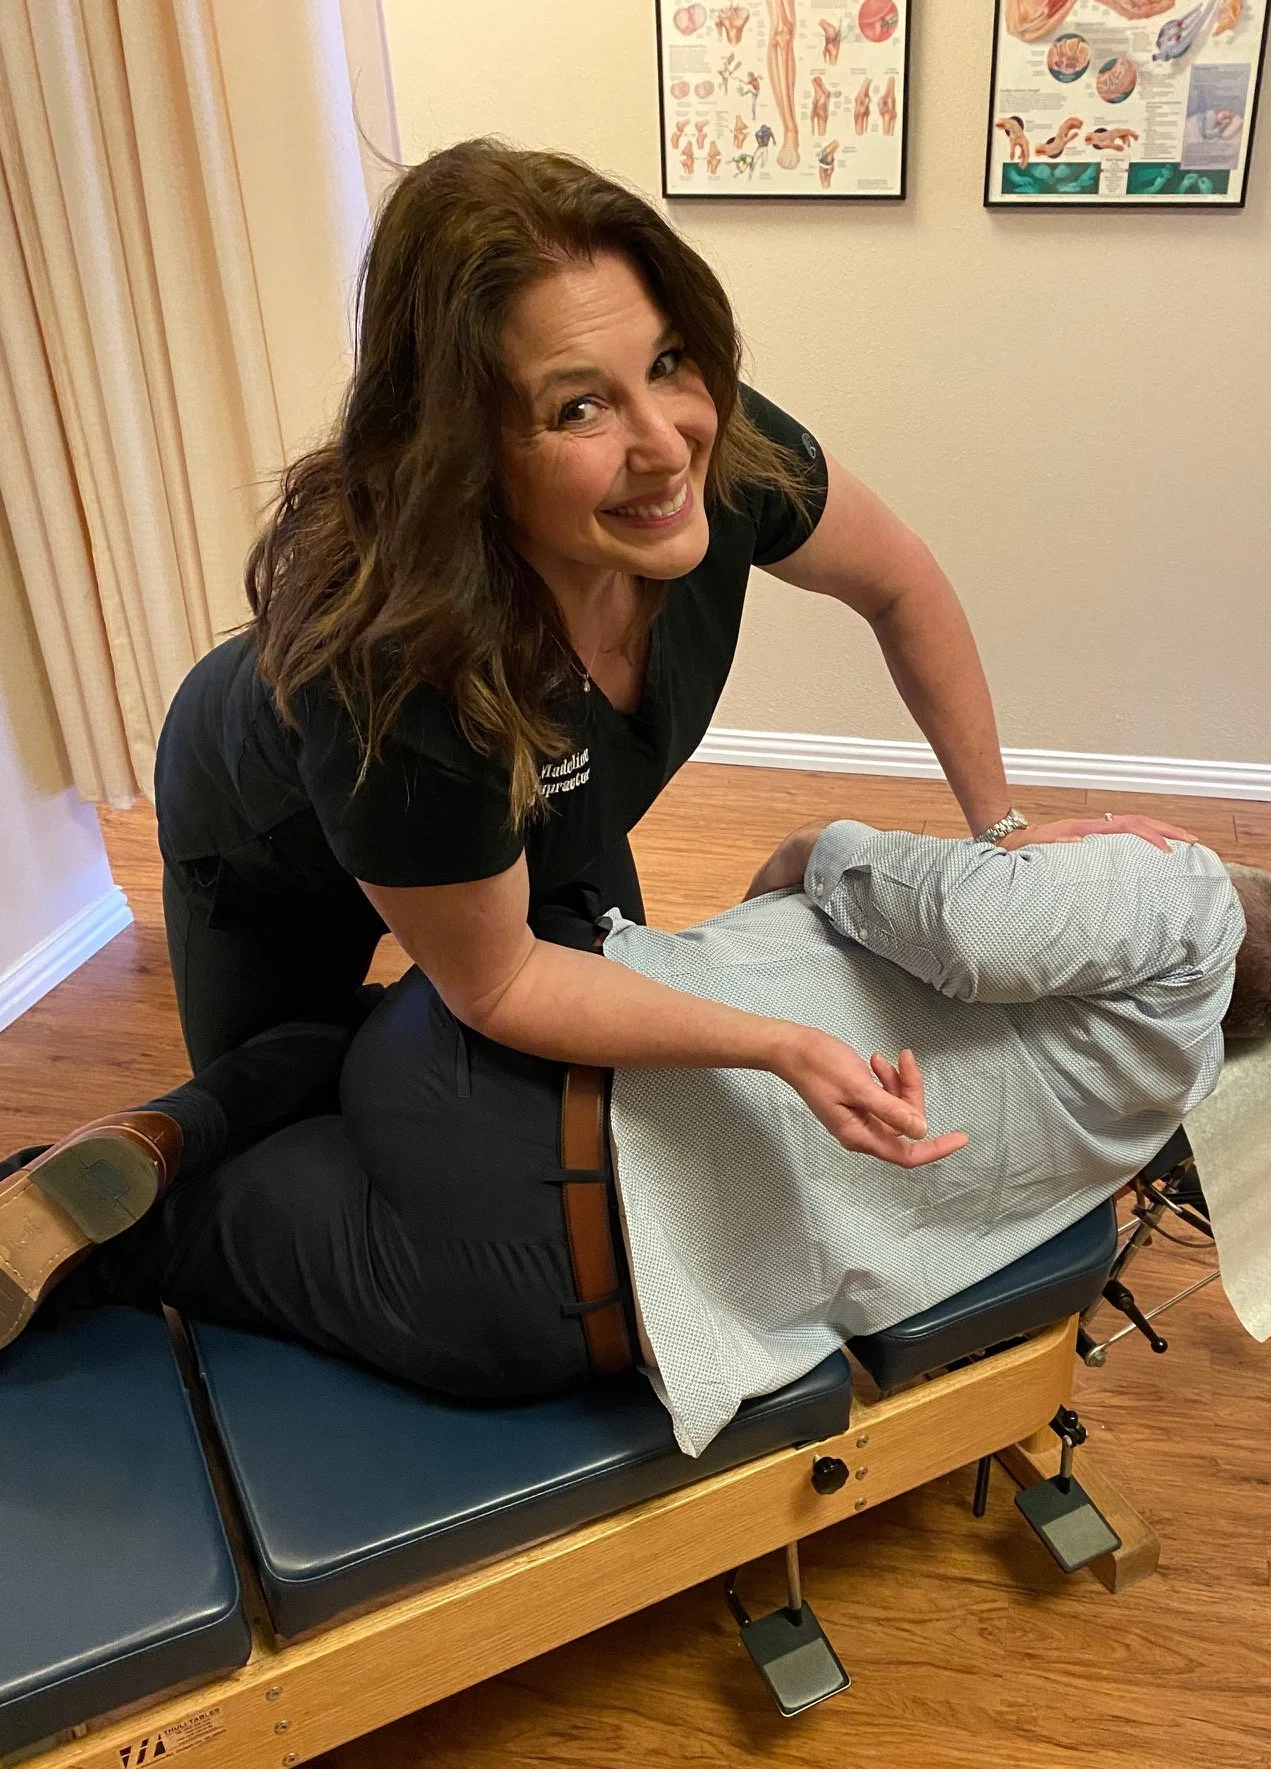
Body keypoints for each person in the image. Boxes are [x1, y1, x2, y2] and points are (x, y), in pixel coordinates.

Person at [156, 138, 1190, 1173]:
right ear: (465, 453)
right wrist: (775, 1045)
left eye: (664, 363)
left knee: (613, 1076)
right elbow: (501, 981)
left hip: (536, 805)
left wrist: (999, 831)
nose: (666, 443)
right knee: (274, 1135)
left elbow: (899, 580)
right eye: (579, 407)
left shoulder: (718, 458)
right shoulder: (396, 671)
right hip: (275, 839)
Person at [0, 823, 1271, 1454]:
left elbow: (974, 920)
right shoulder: (1143, 1120)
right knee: (143, 1250)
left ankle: (171, 1124)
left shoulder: (1191, 901)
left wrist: (828, 846)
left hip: (526, 1093)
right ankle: (159, 1167)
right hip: (519, 1326)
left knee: (347, 1038)